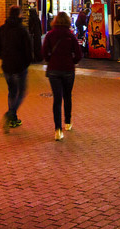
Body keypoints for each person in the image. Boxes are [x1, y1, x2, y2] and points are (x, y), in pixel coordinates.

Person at [43, 11, 83, 141]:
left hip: (54, 70)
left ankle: (57, 130)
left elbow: (43, 52)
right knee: (67, 96)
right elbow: (78, 54)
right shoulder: (70, 35)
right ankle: (68, 122)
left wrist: (51, 59)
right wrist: (72, 61)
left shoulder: (50, 34)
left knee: (57, 99)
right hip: (68, 70)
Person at [0, 4, 33, 131]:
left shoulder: (2, 29)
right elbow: (28, 50)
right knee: (21, 92)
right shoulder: (22, 30)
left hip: (6, 66)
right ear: (19, 14)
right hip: (20, 67)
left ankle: (13, 119)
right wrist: (27, 62)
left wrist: (3, 57)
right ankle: (10, 114)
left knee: (12, 92)